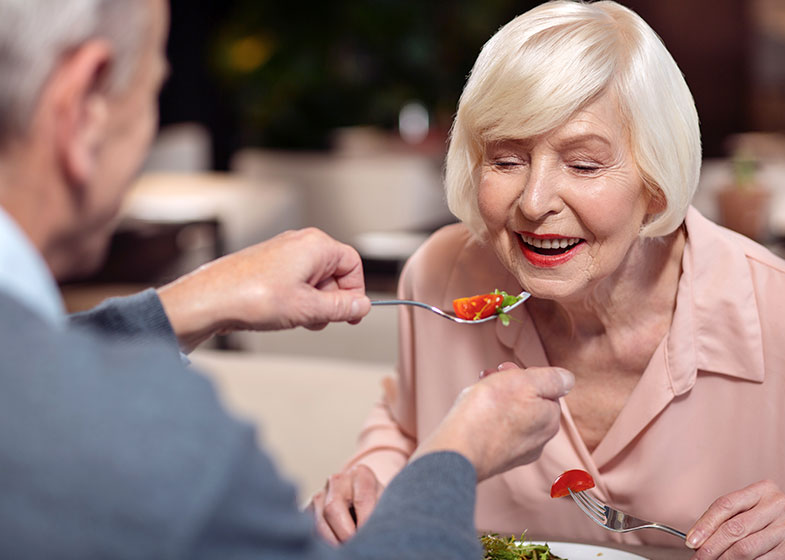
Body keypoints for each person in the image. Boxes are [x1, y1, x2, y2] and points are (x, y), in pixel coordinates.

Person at [0, 1, 577, 558]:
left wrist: (192, 300)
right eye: (153, 91)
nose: (536, 200)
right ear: (83, 108)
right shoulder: (165, 441)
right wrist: (456, 455)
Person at [312, 1, 785, 558]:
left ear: (656, 181)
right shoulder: (442, 277)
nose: (535, 204)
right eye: (507, 159)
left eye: (583, 165)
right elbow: (407, 426)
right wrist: (367, 479)